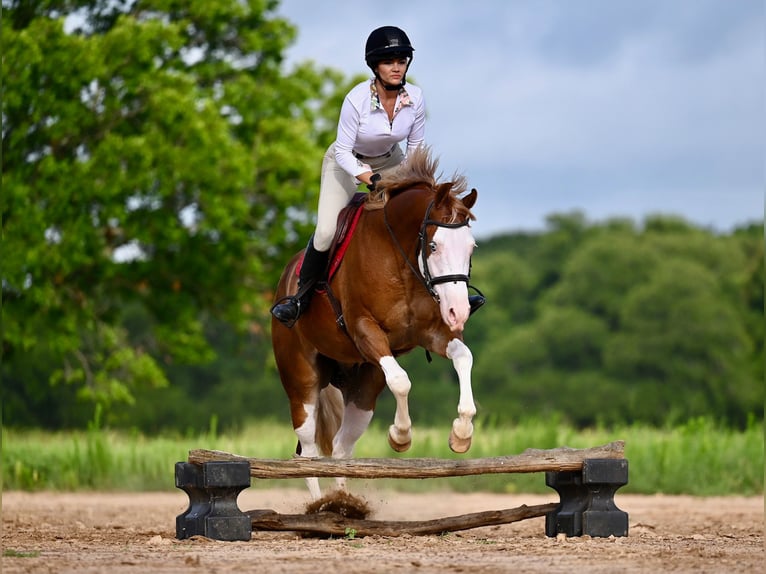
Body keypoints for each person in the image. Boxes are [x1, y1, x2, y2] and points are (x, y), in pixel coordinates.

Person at [272, 26, 484, 326]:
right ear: (375, 66)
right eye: (389, 62)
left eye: (401, 60)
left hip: (391, 160)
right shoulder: (355, 100)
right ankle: (299, 299)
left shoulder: (416, 98)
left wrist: (413, 183)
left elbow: (415, 148)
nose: (396, 67)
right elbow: (344, 151)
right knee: (325, 233)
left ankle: (445, 292)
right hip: (346, 163)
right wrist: (368, 178)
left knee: (417, 214)